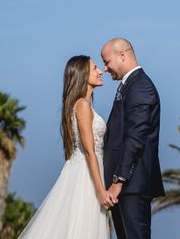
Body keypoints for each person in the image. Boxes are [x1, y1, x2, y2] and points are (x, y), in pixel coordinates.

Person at [18, 55, 114, 238]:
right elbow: (89, 150)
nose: (100, 71)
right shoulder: (83, 106)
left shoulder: (79, 105)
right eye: (95, 68)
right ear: (83, 75)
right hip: (86, 177)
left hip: (84, 172)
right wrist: (101, 191)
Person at [101, 38, 165, 239]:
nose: (104, 68)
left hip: (131, 187)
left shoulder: (140, 87)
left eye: (107, 61)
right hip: (123, 189)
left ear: (122, 55)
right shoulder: (129, 86)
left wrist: (119, 181)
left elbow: (135, 138)